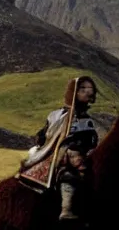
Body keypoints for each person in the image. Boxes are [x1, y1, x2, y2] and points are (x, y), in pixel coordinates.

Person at [22, 76, 99, 220]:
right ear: (73, 92)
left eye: (90, 89)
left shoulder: (86, 119)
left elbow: (92, 141)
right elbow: (43, 135)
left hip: (80, 153)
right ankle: (66, 208)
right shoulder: (57, 115)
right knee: (68, 172)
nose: (88, 93)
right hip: (59, 153)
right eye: (83, 89)